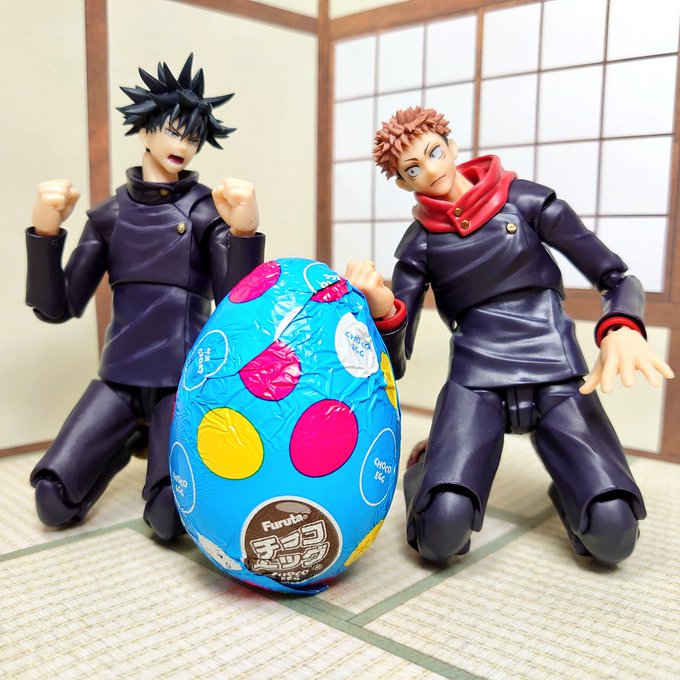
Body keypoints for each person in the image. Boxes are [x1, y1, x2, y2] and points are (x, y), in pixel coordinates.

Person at [346, 106, 674, 566]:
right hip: (475, 382)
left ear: (452, 146)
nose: (432, 171)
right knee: (440, 532)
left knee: (614, 532)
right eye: (413, 169)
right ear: (403, 183)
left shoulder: (528, 202)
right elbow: (393, 362)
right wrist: (382, 307)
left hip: (556, 372)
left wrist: (622, 325)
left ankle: (574, 489)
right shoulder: (420, 244)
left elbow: (616, 278)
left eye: (435, 153)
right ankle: (426, 466)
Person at [26, 55, 265, 540]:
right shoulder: (109, 216)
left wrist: (244, 233)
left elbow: (238, 305)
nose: (184, 145)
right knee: (52, 500)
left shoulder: (206, 212)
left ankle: (155, 443)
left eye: (194, 137)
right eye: (174, 131)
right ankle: (128, 437)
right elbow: (58, 307)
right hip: (118, 380)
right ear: (144, 129)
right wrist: (45, 233)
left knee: (170, 519)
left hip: (180, 383)